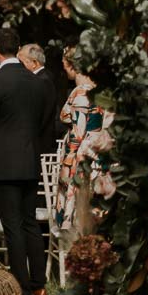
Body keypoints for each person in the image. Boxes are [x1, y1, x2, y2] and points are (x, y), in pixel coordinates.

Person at [0, 27, 52, 295]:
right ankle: (40, 284)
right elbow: (44, 121)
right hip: (29, 160)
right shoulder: (37, 81)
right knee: (30, 222)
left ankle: (22, 289)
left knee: (13, 226)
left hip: (3, 162)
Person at [55, 47, 108, 230]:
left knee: (78, 211)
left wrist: (67, 166)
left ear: (71, 66)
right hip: (98, 154)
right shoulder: (100, 91)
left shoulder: (81, 92)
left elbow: (78, 134)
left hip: (81, 157)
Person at [18, 42, 60, 155]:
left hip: (39, 142)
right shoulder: (41, 78)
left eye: (22, 63)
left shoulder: (43, 80)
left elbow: (41, 113)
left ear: (34, 63)